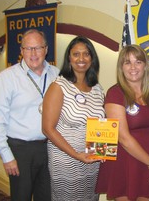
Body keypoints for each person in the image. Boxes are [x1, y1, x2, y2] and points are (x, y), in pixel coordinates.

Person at [0, 29, 59, 201]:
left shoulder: (57, 75)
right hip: (21, 151)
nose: (33, 53)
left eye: (38, 48)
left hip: (50, 147)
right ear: (21, 51)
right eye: (28, 48)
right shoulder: (6, 78)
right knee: (21, 197)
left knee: (47, 197)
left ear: (46, 49)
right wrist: (6, 155)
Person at [96, 44, 149, 201]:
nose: (133, 67)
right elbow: (123, 137)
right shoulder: (115, 93)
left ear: (145, 65)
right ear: (121, 67)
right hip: (124, 161)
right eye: (127, 62)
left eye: (138, 61)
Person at [42, 36, 105, 201]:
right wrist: (76, 155)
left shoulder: (98, 89)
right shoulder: (59, 86)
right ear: (69, 58)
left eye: (86, 54)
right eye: (76, 54)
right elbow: (48, 129)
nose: (81, 59)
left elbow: (100, 125)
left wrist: (102, 149)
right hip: (66, 162)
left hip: (92, 162)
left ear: (92, 58)